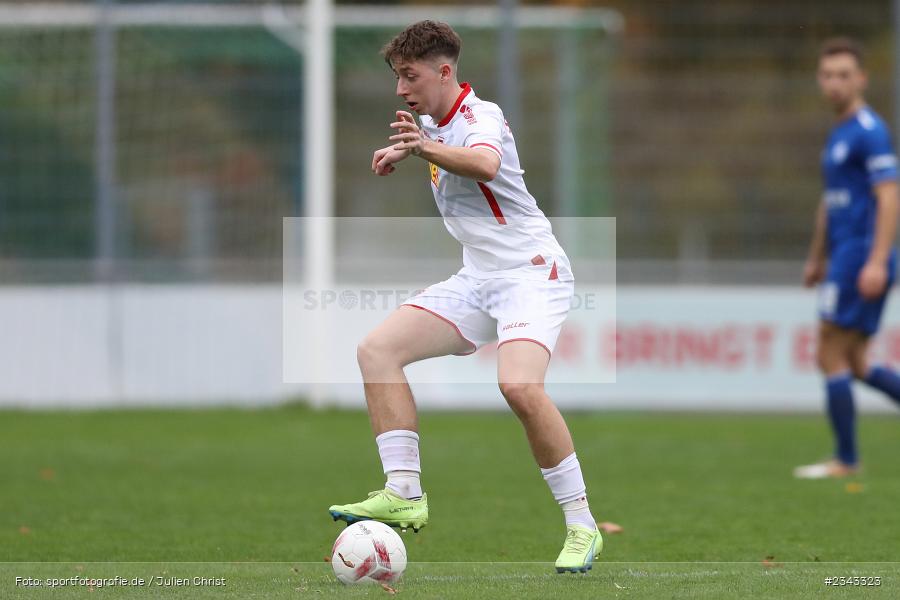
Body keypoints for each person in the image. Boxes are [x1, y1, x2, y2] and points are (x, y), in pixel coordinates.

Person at [327, 20, 603, 572]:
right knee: (377, 351)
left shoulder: (483, 116)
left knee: (520, 386)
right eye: (398, 77)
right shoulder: (432, 122)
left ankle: (582, 526)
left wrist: (422, 145)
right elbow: (448, 155)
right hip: (478, 279)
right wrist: (409, 150)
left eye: (410, 76)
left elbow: (485, 163)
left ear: (444, 71)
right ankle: (403, 490)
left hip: (531, 273)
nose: (401, 88)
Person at [796, 37, 900, 479]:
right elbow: (831, 201)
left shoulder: (869, 131)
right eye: (827, 75)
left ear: (861, 79)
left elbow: (890, 194)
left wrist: (876, 260)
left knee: (827, 348)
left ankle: (846, 459)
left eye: (843, 75)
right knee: (856, 362)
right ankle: (846, 458)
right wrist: (816, 256)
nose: (834, 83)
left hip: (860, 256)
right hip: (842, 255)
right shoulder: (839, 133)